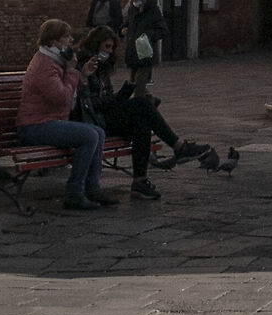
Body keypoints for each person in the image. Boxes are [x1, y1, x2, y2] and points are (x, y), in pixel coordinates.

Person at [76, 26, 212, 198]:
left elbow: (106, 97)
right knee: (142, 104)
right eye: (106, 47)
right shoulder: (84, 66)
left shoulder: (102, 68)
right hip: (93, 121)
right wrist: (116, 99)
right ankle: (179, 147)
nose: (109, 52)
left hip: (104, 115)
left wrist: (121, 95)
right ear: (96, 45)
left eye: (111, 48)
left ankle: (140, 181)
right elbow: (89, 103)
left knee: (142, 121)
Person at [18, 18, 113, 210]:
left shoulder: (56, 61)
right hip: (34, 126)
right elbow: (62, 98)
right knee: (89, 136)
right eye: (66, 37)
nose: (70, 40)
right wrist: (71, 71)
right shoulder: (44, 65)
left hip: (50, 121)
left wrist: (82, 74)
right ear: (53, 42)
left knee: (98, 132)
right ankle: (74, 192)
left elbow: (68, 95)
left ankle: (92, 187)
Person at [125, 0, 168, 88]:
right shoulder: (132, 10)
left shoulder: (153, 11)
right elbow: (127, 23)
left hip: (145, 53)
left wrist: (148, 35)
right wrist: (123, 29)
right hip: (133, 53)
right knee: (133, 84)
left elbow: (162, 30)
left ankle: (144, 101)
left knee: (140, 85)